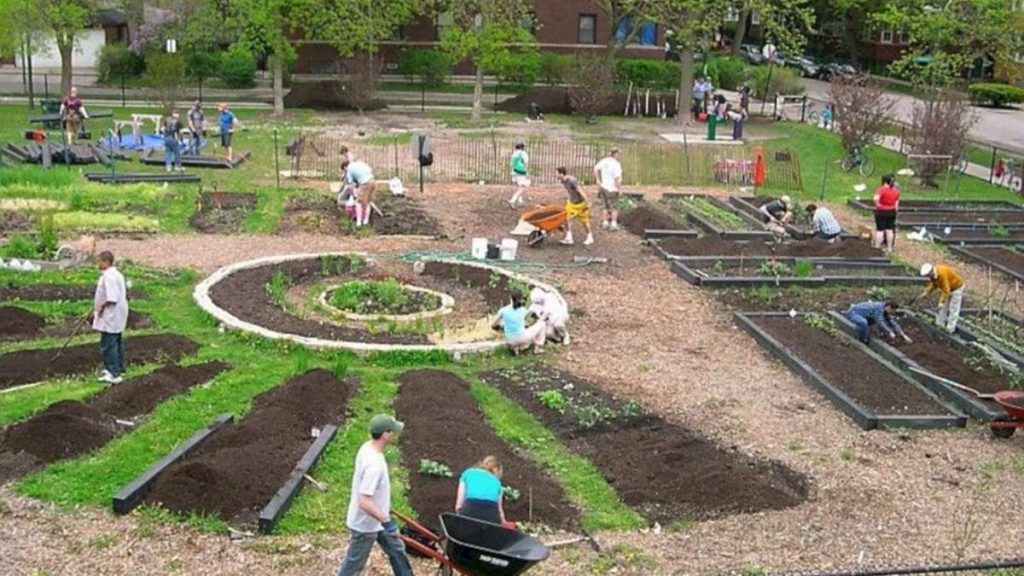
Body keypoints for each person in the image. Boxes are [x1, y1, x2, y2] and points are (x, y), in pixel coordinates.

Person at [338, 414, 413, 576]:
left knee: (397, 551)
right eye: (393, 431)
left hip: (377, 519)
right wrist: (387, 521)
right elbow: (364, 501)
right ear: (386, 435)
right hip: (366, 525)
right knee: (353, 565)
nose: (396, 434)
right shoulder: (374, 465)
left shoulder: (367, 447)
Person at [93, 251, 129, 385]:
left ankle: (114, 373)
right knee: (116, 341)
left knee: (109, 344)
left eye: (99, 261)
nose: (98, 264)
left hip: (111, 315)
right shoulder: (116, 274)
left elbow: (112, 298)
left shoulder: (109, 276)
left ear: (106, 262)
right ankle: (117, 368)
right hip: (116, 315)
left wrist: (101, 307)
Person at [455, 455, 508, 526]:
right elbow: (499, 510)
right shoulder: (497, 482)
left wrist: (459, 517)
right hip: (492, 516)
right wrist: (504, 523)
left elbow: (459, 503)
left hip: (470, 510)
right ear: (496, 469)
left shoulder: (467, 473)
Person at [915, 263, 965, 334]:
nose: (928, 277)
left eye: (928, 275)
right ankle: (940, 324)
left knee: (953, 308)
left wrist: (941, 302)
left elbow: (946, 290)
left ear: (931, 271)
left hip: (956, 287)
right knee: (942, 307)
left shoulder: (941, 274)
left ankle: (950, 329)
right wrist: (926, 292)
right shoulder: (933, 275)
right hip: (948, 287)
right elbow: (934, 284)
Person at [555, 166, 593, 246]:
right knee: (566, 218)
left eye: (557, 173)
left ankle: (590, 237)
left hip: (580, 204)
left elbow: (581, 191)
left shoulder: (572, 181)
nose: (556, 175)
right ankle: (569, 238)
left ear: (562, 174)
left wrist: (588, 202)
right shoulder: (562, 181)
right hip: (571, 203)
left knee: (584, 221)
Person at [844, 300, 912, 345]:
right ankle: (862, 340)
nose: (892, 312)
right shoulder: (878, 309)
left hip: (865, 315)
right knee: (863, 323)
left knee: (877, 320)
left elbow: (892, 322)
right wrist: (890, 332)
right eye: (892, 310)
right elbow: (880, 322)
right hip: (853, 313)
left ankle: (881, 334)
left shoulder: (884, 309)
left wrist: (904, 335)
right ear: (888, 307)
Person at [593, 147, 623, 231]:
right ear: (615, 154)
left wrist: (598, 180)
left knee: (604, 206)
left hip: (603, 187)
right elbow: (617, 178)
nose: (620, 156)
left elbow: (595, 169)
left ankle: (605, 222)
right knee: (614, 207)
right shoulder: (616, 164)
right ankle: (613, 224)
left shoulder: (604, 161)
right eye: (619, 154)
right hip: (612, 189)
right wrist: (619, 189)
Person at [344, 158, 376, 228]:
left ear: (345, 167)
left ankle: (358, 223)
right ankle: (365, 222)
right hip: (372, 181)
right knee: (367, 202)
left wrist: (354, 194)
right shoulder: (359, 163)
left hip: (365, 183)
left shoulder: (349, 170)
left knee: (358, 202)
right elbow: (370, 170)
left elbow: (351, 185)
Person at [873, 173, 900, 254]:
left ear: (884, 181)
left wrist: (878, 205)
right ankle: (889, 248)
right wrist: (895, 210)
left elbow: (875, 198)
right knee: (889, 230)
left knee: (880, 230)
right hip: (891, 211)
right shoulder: (895, 191)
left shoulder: (881, 189)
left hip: (882, 211)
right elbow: (897, 202)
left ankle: (877, 247)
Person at [508, 140, 530, 208]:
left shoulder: (514, 153)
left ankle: (520, 201)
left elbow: (511, 164)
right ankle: (513, 200)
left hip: (515, 171)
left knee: (519, 186)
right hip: (521, 172)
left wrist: (512, 172)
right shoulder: (524, 154)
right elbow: (525, 164)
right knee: (523, 187)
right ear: (523, 147)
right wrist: (526, 173)